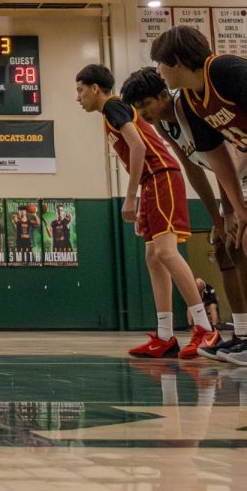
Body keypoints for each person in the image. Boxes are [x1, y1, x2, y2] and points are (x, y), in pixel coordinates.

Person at [76, 63, 213, 359]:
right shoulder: (110, 113)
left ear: (95, 88)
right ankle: (165, 335)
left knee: (165, 252)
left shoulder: (114, 107)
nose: (78, 97)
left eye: (80, 90)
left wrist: (129, 196)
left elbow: (137, 146)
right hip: (153, 181)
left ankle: (205, 328)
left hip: (161, 175)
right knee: (153, 257)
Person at [120, 66, 247, 361]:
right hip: (228, 181)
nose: (142, 112)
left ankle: (225, 332)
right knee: (224, 248)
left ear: (163, 95)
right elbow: (194, 170)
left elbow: (223, 161)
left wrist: (231, 210)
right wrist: (217, 220)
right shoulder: (164, 125)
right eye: (136, 108)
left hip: (238, 173)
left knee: (241, 241)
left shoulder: (187, 108)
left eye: (145, 104)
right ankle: (240, 334)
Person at [150, 26, 247, 240]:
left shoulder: (225, 70)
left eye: (160, 63)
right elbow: (217, 157)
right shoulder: (190, 100)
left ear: (176, 60)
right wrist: (238, 210)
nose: (158, 71)